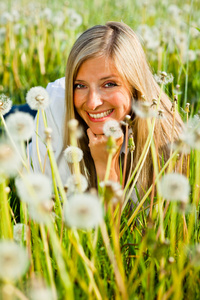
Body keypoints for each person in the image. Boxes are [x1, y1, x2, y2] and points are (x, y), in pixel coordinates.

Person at [30, 21, 183, 196]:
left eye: (109, 84)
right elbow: (42, 205)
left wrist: (106, 169)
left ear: (134, 86)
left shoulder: (169, 141)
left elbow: (116, 223)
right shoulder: (54, 104)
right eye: (80, 85)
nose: (92, 103)